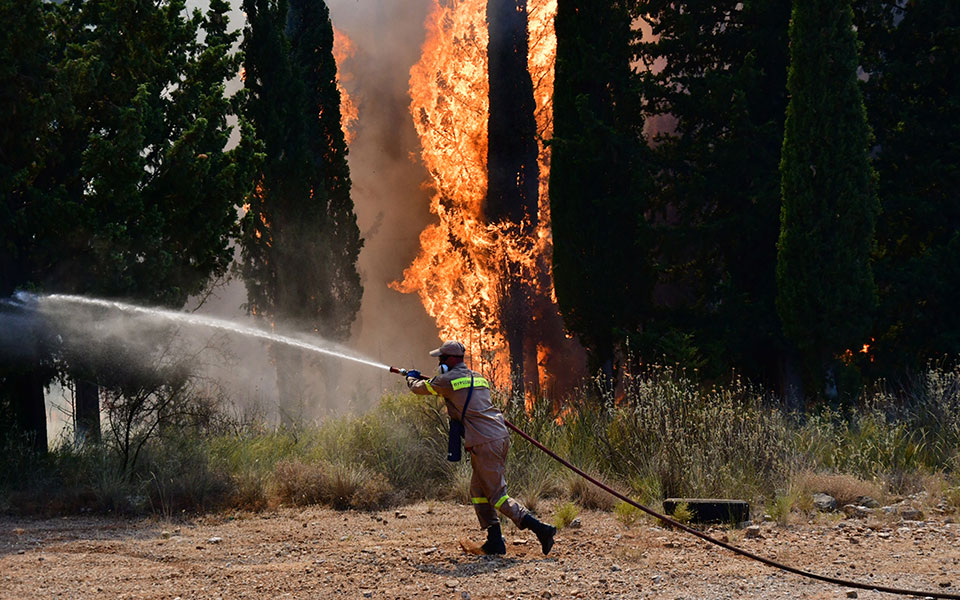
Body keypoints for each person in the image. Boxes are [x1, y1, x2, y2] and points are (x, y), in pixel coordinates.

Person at [406, 340, 557, 556]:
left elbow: (420, 389)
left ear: (448, 361)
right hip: (497, 436)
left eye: (440, 358)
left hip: (484, 441)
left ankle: (541, 530)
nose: (439, 362)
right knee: (478, 491)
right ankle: (495, 540)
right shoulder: (477, 377)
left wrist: (410, 377)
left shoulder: (448, 379)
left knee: (497, 496)